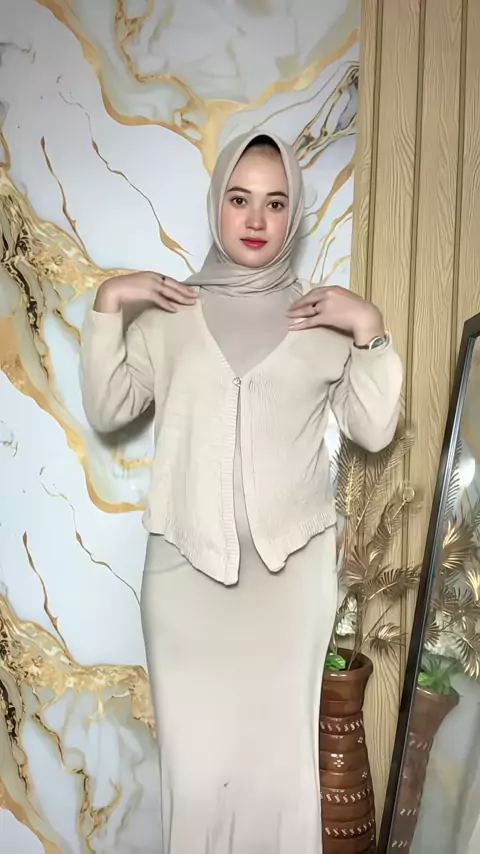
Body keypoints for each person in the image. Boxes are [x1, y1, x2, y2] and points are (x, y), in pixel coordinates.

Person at [81, 130, 402, 854]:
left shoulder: (322, 320)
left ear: (293, 214)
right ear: (217, 204)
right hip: (184, 578)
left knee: (280, 779)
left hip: (290, 587)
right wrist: (109, 301)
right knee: (195, 781)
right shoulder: (170, 315)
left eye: (276, 203)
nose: (257, 220)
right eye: (240, 199)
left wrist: (369, 328)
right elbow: (108, 408)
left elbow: (375, 429)